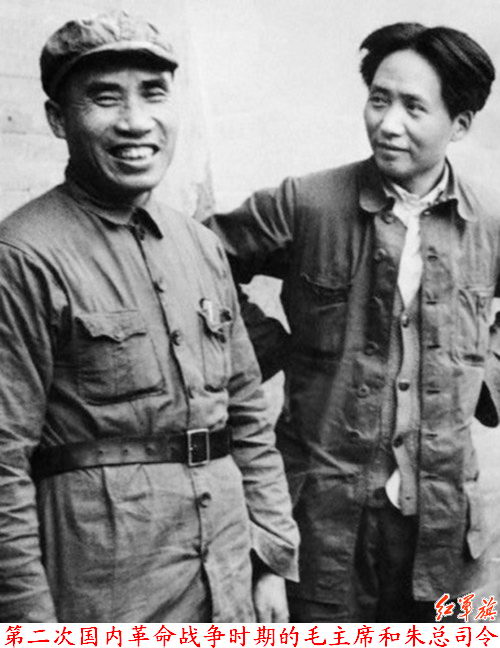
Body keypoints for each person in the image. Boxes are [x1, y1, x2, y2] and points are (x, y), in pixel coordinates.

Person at [0, 10, 298, 623]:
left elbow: (245, 411)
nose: (136, 121)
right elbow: (3, 462)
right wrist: (30, 624)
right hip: (109, 591)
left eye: (154, 93)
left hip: (226, 578)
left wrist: (270, 557)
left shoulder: (201, 246)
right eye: (105, 98)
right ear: (58, 119)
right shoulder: (23, 256)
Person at [206, 22, 500, 622]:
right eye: (379, 100)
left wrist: (484, 373)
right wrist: (265, 347)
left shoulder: (489, 224)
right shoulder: (306, 203)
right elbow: (198, 263)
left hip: (447, 530)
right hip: (324, 523)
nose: (388, 123)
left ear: (460, 124)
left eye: (414, 107)